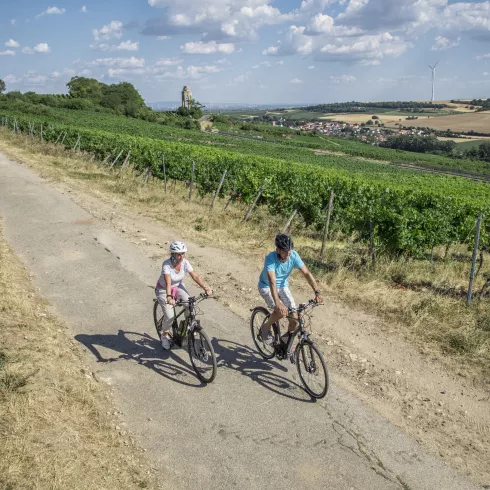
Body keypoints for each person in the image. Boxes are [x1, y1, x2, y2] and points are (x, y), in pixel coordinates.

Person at [258, 233, 323, 345]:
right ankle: (265, 327)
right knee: (281, 312)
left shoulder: (293, 255)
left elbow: (306, 273)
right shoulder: (270, 259)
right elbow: (272, 282)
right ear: (278, 250)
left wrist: (317, 292)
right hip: (266, 286)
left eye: (290, 249)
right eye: (285, 250)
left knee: (294, 319)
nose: (289, 252)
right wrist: (278, 303)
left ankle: (285, 342)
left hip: (283, 286)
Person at [155, 241, 212, 349]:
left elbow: (195, 276)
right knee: (170, 316)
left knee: (191, 304)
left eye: (183, 253)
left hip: (178, 287)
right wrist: (169, 297)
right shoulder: (166, 264)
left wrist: (206, 288)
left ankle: (189, 325)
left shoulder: (185, 262)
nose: (181, 256)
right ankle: (164, 335)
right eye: (178, 254)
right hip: (163, 290)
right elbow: (168, 282)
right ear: (172, 254)